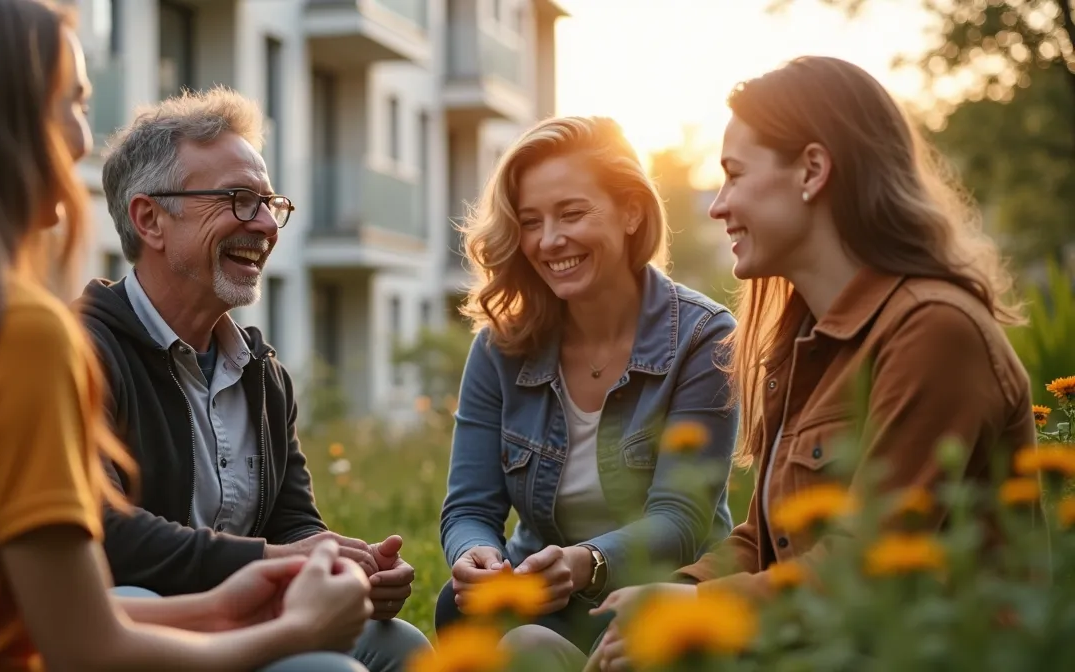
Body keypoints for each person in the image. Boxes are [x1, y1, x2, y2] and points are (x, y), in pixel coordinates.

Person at [0, 1, 377, 670]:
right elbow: (87, 648)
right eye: (74, 103)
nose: (84, 139)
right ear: (1, 118)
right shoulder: (16, 335)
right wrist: (294, 630)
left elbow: (4, 609)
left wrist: (229, 601)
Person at [586, 56, 1036, 671]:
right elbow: (763, 540)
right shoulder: (800, 343)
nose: (717, 207)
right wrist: (682, 592)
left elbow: (870, 568)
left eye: (735, 175)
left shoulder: (932, 331)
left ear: (813, 170)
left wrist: (699, 613)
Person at [74, 87, 433, 671]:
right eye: (240, 200)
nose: (266, 224)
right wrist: (275, 558)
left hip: (251, 616)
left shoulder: (262, 373)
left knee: (403, 650)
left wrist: (343, 565)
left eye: (270, 203)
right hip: (144, 633)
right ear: (150, 219)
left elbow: (292, 521)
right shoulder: (84, 352)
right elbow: (104, 530)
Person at [437, 115, 739, 668]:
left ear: (631, 211)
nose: (550, 241)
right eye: (531, 221)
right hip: (547, 600)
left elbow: (680, 519)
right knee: (458, 609)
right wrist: (474, 553)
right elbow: (470, 507)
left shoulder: (703, 337)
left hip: (660, 593)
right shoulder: (499, 348)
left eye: (572, 213)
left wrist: (588, 561)